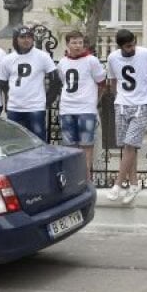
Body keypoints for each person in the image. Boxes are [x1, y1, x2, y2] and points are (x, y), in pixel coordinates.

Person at [107, 29, 147, 205]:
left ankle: (118, 185)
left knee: (129, 144)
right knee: (128, 147)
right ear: (120, 47)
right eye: (128, 46)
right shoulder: (113, 58)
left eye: (133, 43)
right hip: (122, 103)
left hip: (142, 104)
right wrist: (116, 98)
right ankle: (134, 184)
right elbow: (112, 81)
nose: (132, 48)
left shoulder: (145, 54)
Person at [56, 31, 106, 181]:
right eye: (74, 42)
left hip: (86, 108)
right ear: (67, 44)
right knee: (69, 145)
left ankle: (85, 178)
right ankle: (72, 178)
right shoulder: (63, 62)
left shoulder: (91, 61)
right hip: (67, 108)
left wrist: (94, 101)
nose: (77, 46)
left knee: (86, 145)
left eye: (80, 42)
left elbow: (102, 83)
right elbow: (63, 82)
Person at [0, 26, 59, 141]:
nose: (26, 40)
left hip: (35, 107)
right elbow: (2, 82)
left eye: (29, 37)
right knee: (16, 141)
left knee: (38, 140)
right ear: (16, 39)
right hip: (14, 107)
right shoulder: (8, 59)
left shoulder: (42, 56)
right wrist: (9, 98)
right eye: (22, 37)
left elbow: (55, 80)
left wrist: (47, 101)